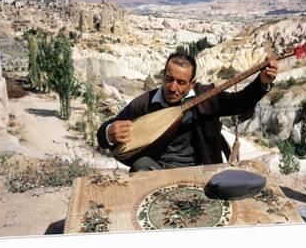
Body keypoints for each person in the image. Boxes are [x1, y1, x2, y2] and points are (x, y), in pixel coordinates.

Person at [97, 52, 278, 172]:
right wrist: (109, 132)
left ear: (192, 83)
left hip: (201, 168)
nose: (173, 87)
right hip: (157, 169)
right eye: (169, 79)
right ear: (163, 76)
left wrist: (262, 82)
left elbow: (239, 103)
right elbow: (106, 131)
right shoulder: (146, 103)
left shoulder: (207, 96)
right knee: (140, 166)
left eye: (181, 82)